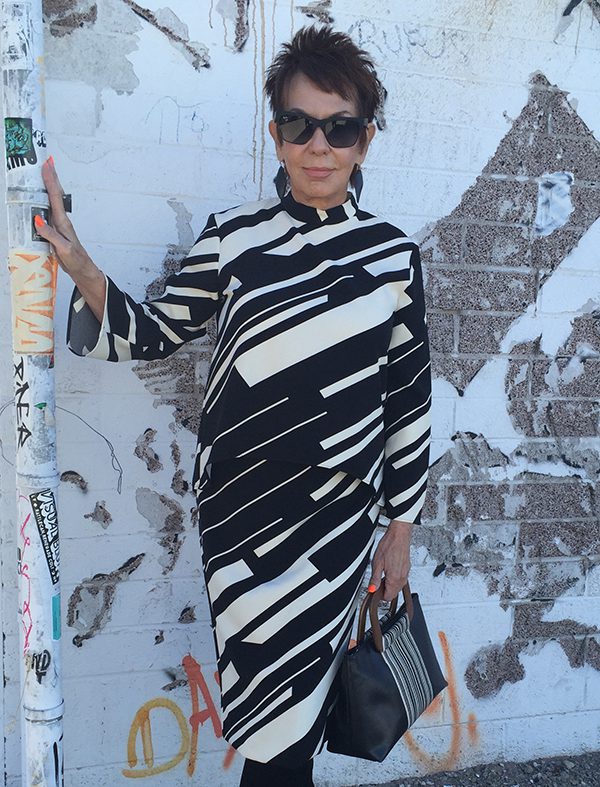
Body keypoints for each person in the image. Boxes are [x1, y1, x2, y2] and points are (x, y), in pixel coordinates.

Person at [35, 26, 431, 787]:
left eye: (339, 127)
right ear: (275, 131)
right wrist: (79, 262)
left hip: (337, 530)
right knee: (270, 724)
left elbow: (407, 400)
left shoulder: (392, 256)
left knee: (293, 730)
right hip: (242, 525)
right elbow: (152, 332)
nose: (319, 145)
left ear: (365, 140)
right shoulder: (235, 239)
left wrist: (398, 531)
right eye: (298, 124)